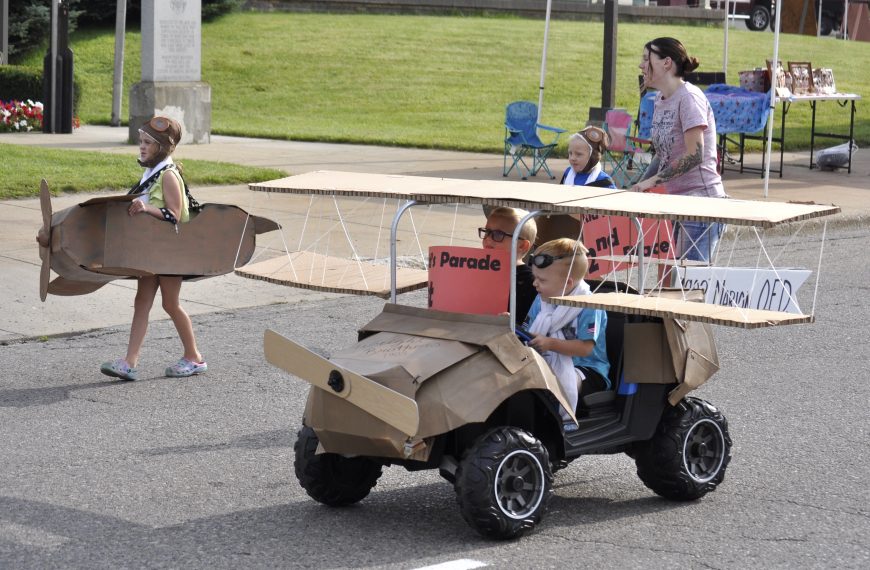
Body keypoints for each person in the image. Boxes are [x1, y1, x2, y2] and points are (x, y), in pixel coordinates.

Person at [100, 116, 207, 381]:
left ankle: (194, 357)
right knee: (141, 303)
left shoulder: (169, 175)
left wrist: (146, 208)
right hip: (151, 252)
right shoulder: (151, 173)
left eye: (148, 142)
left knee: (170, 304)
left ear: (162, 147)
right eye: (141, 141)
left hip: (170, 253)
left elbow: (174, 214)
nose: (142, 147)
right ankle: (129, 362)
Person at [630, 37, 727, 262]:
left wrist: (650, 183)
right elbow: (664, 155)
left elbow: (695, 155)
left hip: (702, 206)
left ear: (666, 63)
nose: (641, 65)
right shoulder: (659, 100)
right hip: (676, 203)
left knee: (689, 285)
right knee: (675, 285)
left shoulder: (689, 98)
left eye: (646, 59)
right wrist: (638, 186)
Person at [522, 238, 609, 428]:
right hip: (547, 357)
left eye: (542, 280)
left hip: (588, 368)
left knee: (554, 382)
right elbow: (528, 331)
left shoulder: (590, 305)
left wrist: (551, 344)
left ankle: (560, 425)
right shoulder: (542, 300)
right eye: (535, 277)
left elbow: (585, 348)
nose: (535, 284)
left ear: (567, 283)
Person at [479, 207, 537, 324]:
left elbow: (528, 326)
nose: (488, 239)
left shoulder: (532, 283)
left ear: (522, 246)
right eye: (487, 232)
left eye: (498, 234)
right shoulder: (474, 269)